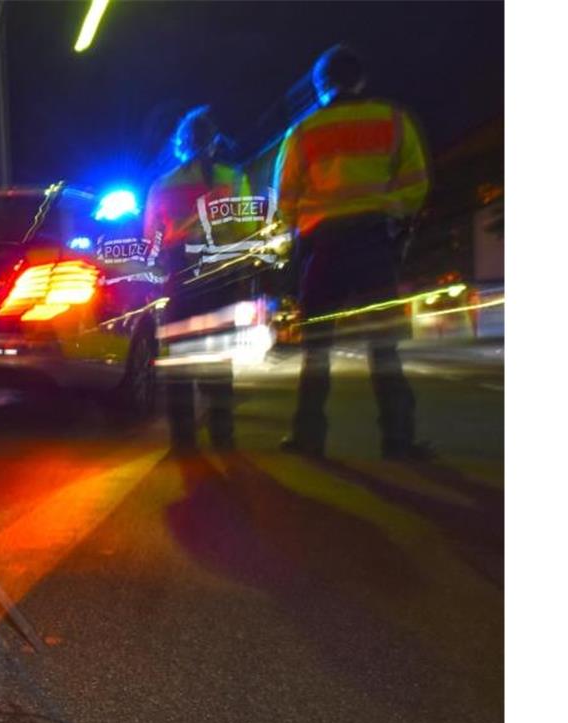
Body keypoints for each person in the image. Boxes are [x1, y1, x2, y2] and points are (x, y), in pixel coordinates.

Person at [273, 44, 432, 459]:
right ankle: (398, 440)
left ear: (320, 85)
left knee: (317, 349)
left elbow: (285, 198)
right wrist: (395, 216)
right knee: (383, 347)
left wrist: (299, 231)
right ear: (361, 79)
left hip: (323, 249)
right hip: (374, 244)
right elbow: (415, 182)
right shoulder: (393, 120)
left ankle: (308, 438)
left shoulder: (303, 132)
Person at [145, 106, 267, 451]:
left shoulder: (161, 186)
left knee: (181, 360)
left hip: (180, 277)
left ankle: (183, 441)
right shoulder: (233, 178)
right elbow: (248, 231)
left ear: (180, 144)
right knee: (219, 358)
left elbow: (151, 240)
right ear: (214, 143)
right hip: (222, 277)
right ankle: (222, 434)